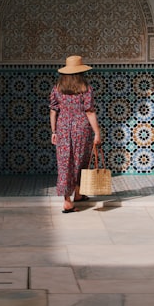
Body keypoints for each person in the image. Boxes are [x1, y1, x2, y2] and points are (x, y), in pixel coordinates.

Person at [49, 54, 102, 213]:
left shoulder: (57, 88)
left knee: (65, 164)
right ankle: (76, 195)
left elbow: (53, 110)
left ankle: (70, 199)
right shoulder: (85, 88)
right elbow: (90, 112)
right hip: (81, 128)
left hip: (63, 128)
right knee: (81, 161)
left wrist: (54, 131)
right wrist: (97, 133)